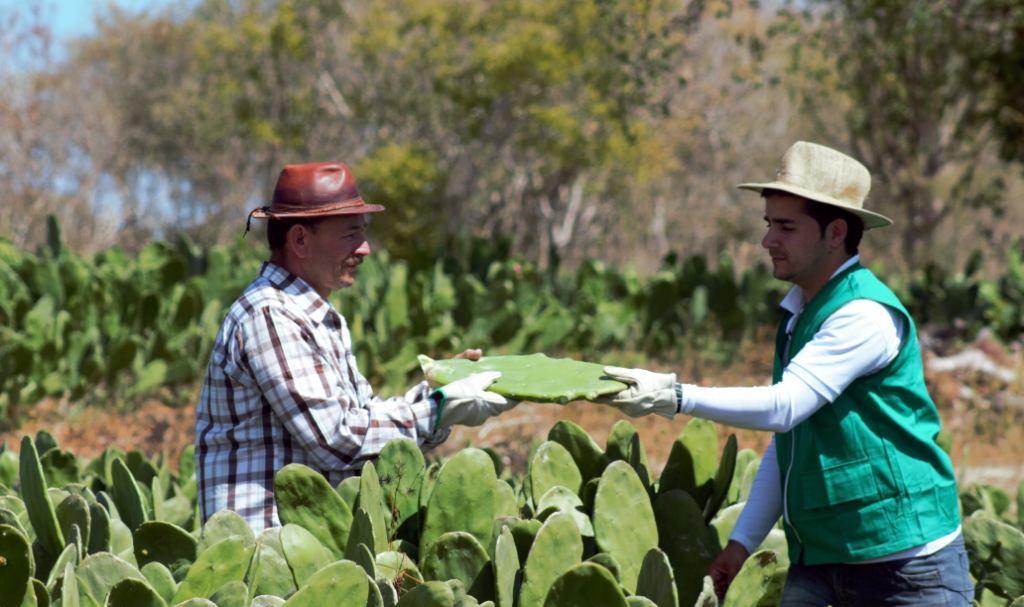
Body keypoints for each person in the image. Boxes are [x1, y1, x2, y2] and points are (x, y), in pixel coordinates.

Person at [597, 142, 971, 605]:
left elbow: (783, 406)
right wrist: (741, 545)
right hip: (819, 562)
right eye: (769, 224)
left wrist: (675, 396)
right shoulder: (802, 315)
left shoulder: (863, 315)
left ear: (836, 232)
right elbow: (791, 438)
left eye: (786, 226)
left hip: (905, 569)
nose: (768, 240)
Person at [195, 162, 516, 533]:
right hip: (262, 556)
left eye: (362, 234)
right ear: (300, 240)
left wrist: (440, 391)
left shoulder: (311, 313)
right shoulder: (271, 316)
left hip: (304, 547)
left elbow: (361, 414)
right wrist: (441, 409)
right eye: (350, 235)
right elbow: (339, 438)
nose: (364, 249)